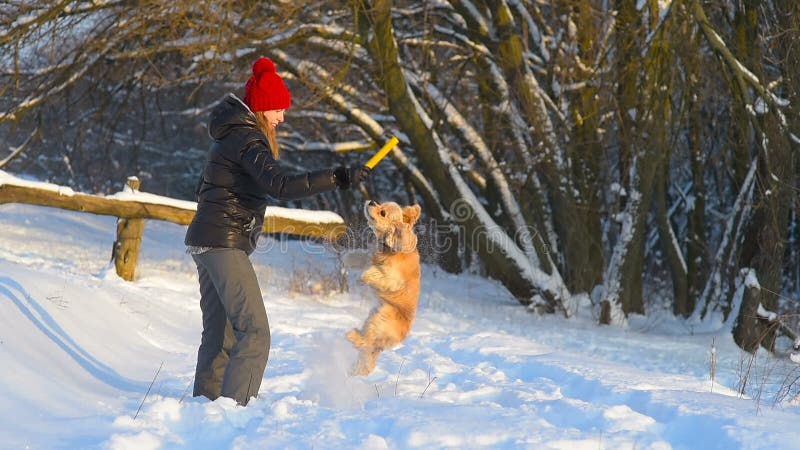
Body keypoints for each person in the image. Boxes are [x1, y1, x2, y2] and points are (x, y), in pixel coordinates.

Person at [184, 56, 370, 406]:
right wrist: (338, 177)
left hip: (206, 241)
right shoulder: (247, 140)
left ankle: (205, 409)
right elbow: (281, 184)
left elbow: (204, 189)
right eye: (278, 110)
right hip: (223, 244)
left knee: (220, 334)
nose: (282, 118)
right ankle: (235, 410)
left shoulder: (230, 137)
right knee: (255, 332)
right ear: (261, 108)